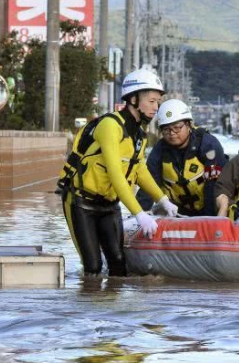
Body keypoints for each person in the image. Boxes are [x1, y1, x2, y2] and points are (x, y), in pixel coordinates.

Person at [57, 69, 178, 277]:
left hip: (109, 205)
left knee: (118, 264)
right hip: (81, 203)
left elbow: (139, 170)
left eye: (157, 102)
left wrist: (163, 200)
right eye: (151, 101)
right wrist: (140, 213)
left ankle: (113, 306)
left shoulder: (140, 135)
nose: (155, 107)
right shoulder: (110, 126)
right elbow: (115, 174)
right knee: (93, 267)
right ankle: (88, 304)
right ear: (133, 98)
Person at [136, 99, 227, 216]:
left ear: (189, 125)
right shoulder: (159, 151)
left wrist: (209, 219)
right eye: (166, 129)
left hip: (210, 208)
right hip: (177, 212)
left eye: (177, 127)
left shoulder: (208, 145)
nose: (172, 133)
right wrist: (140, 215)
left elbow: (214, 184)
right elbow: (149, 184)